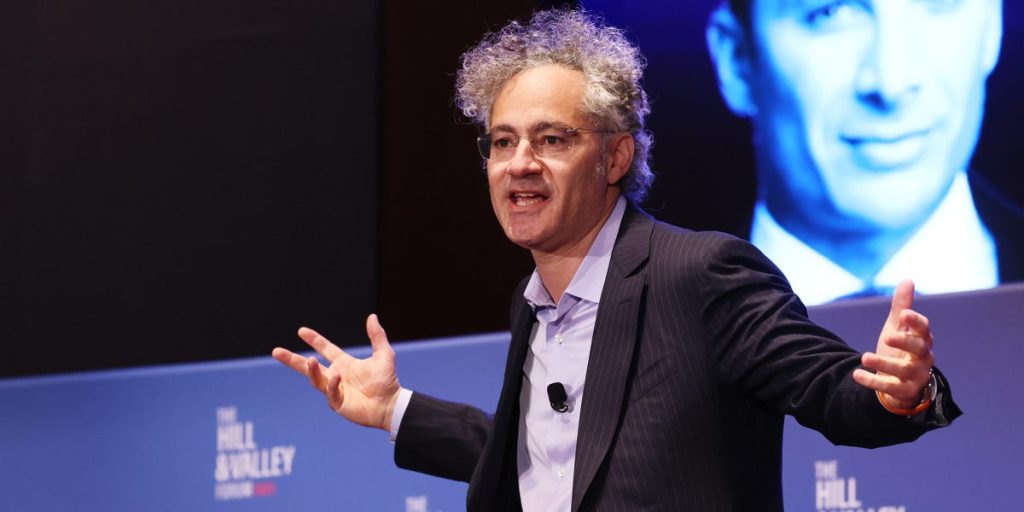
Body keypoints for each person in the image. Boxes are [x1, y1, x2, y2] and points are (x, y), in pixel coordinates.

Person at [273, 9, 959, 511]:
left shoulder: (699, 273)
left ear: (615, 156)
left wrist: (900, 391)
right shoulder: (532, 303)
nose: (520, 164)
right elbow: (545, 461)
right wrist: (394, 409)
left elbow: (829, 388)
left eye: (552, 139)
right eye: (503, 142)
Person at [706, 0, 1020, 305]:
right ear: (737, 60)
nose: (892, 84)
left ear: (993, 23)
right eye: (831, 12)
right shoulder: (679, 319)